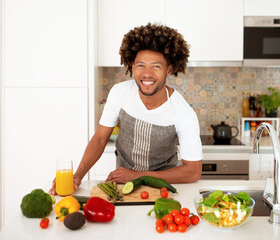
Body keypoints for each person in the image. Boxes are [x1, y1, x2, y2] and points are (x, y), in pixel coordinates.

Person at [49, 23, 202, 195]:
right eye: (141, 65)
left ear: (169, 69)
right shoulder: (120, 93)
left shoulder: (182, 112)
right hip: (122, 187)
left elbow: (193, 171)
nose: (147, 73)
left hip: (162, 188)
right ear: (132, 66)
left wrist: (138, 176)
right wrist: (78, 175)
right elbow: (100, 139)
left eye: (156, 66)